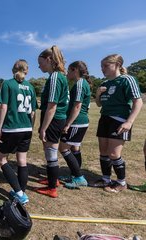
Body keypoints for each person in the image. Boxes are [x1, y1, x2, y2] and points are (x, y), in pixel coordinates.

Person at [92, 54, 143, 193]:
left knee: (114, 154)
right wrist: (97, 93)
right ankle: (106, 179)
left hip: (120, 120)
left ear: (118, 65)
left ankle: (121, 183)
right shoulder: (104, 83)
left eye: (106, 66)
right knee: (103, 152)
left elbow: (138, 101)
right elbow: (98, 103)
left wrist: (129, 122)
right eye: (101, 66)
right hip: (105, 118)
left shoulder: (127, 80)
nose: (102, 69)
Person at [0, 60, 37, 204]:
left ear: (13, 69)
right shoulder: (31, 87)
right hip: (27, 128)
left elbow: (3, 107)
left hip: (12, 127)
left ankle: (20, 193)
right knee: (22, 161)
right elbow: (33, 112)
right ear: (27, 70)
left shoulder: (8, 83)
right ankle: (21, 191)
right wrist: (31, 127)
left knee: (1, 159)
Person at [36, 45, 69, 198]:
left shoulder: (56, 76)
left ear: (49, 59)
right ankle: (52, 180)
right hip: (55, 119)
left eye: (40, 62)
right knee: (50, 151)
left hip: (54, 119)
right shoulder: (56, 76)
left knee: (51, 152)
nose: (39, 65)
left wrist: (43, 128)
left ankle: (52, 188)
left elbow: (52, 106)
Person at [58, 61, 91, 189]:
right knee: (74, 149)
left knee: (63, 148)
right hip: (81, 122)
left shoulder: (80, 84)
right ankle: (74, 175)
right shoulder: (81, 83)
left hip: (77, 122)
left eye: (69, 70)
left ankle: (79, 177)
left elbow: (77, 106)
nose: (67, 73)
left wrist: (68, 124)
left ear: (75, 70)